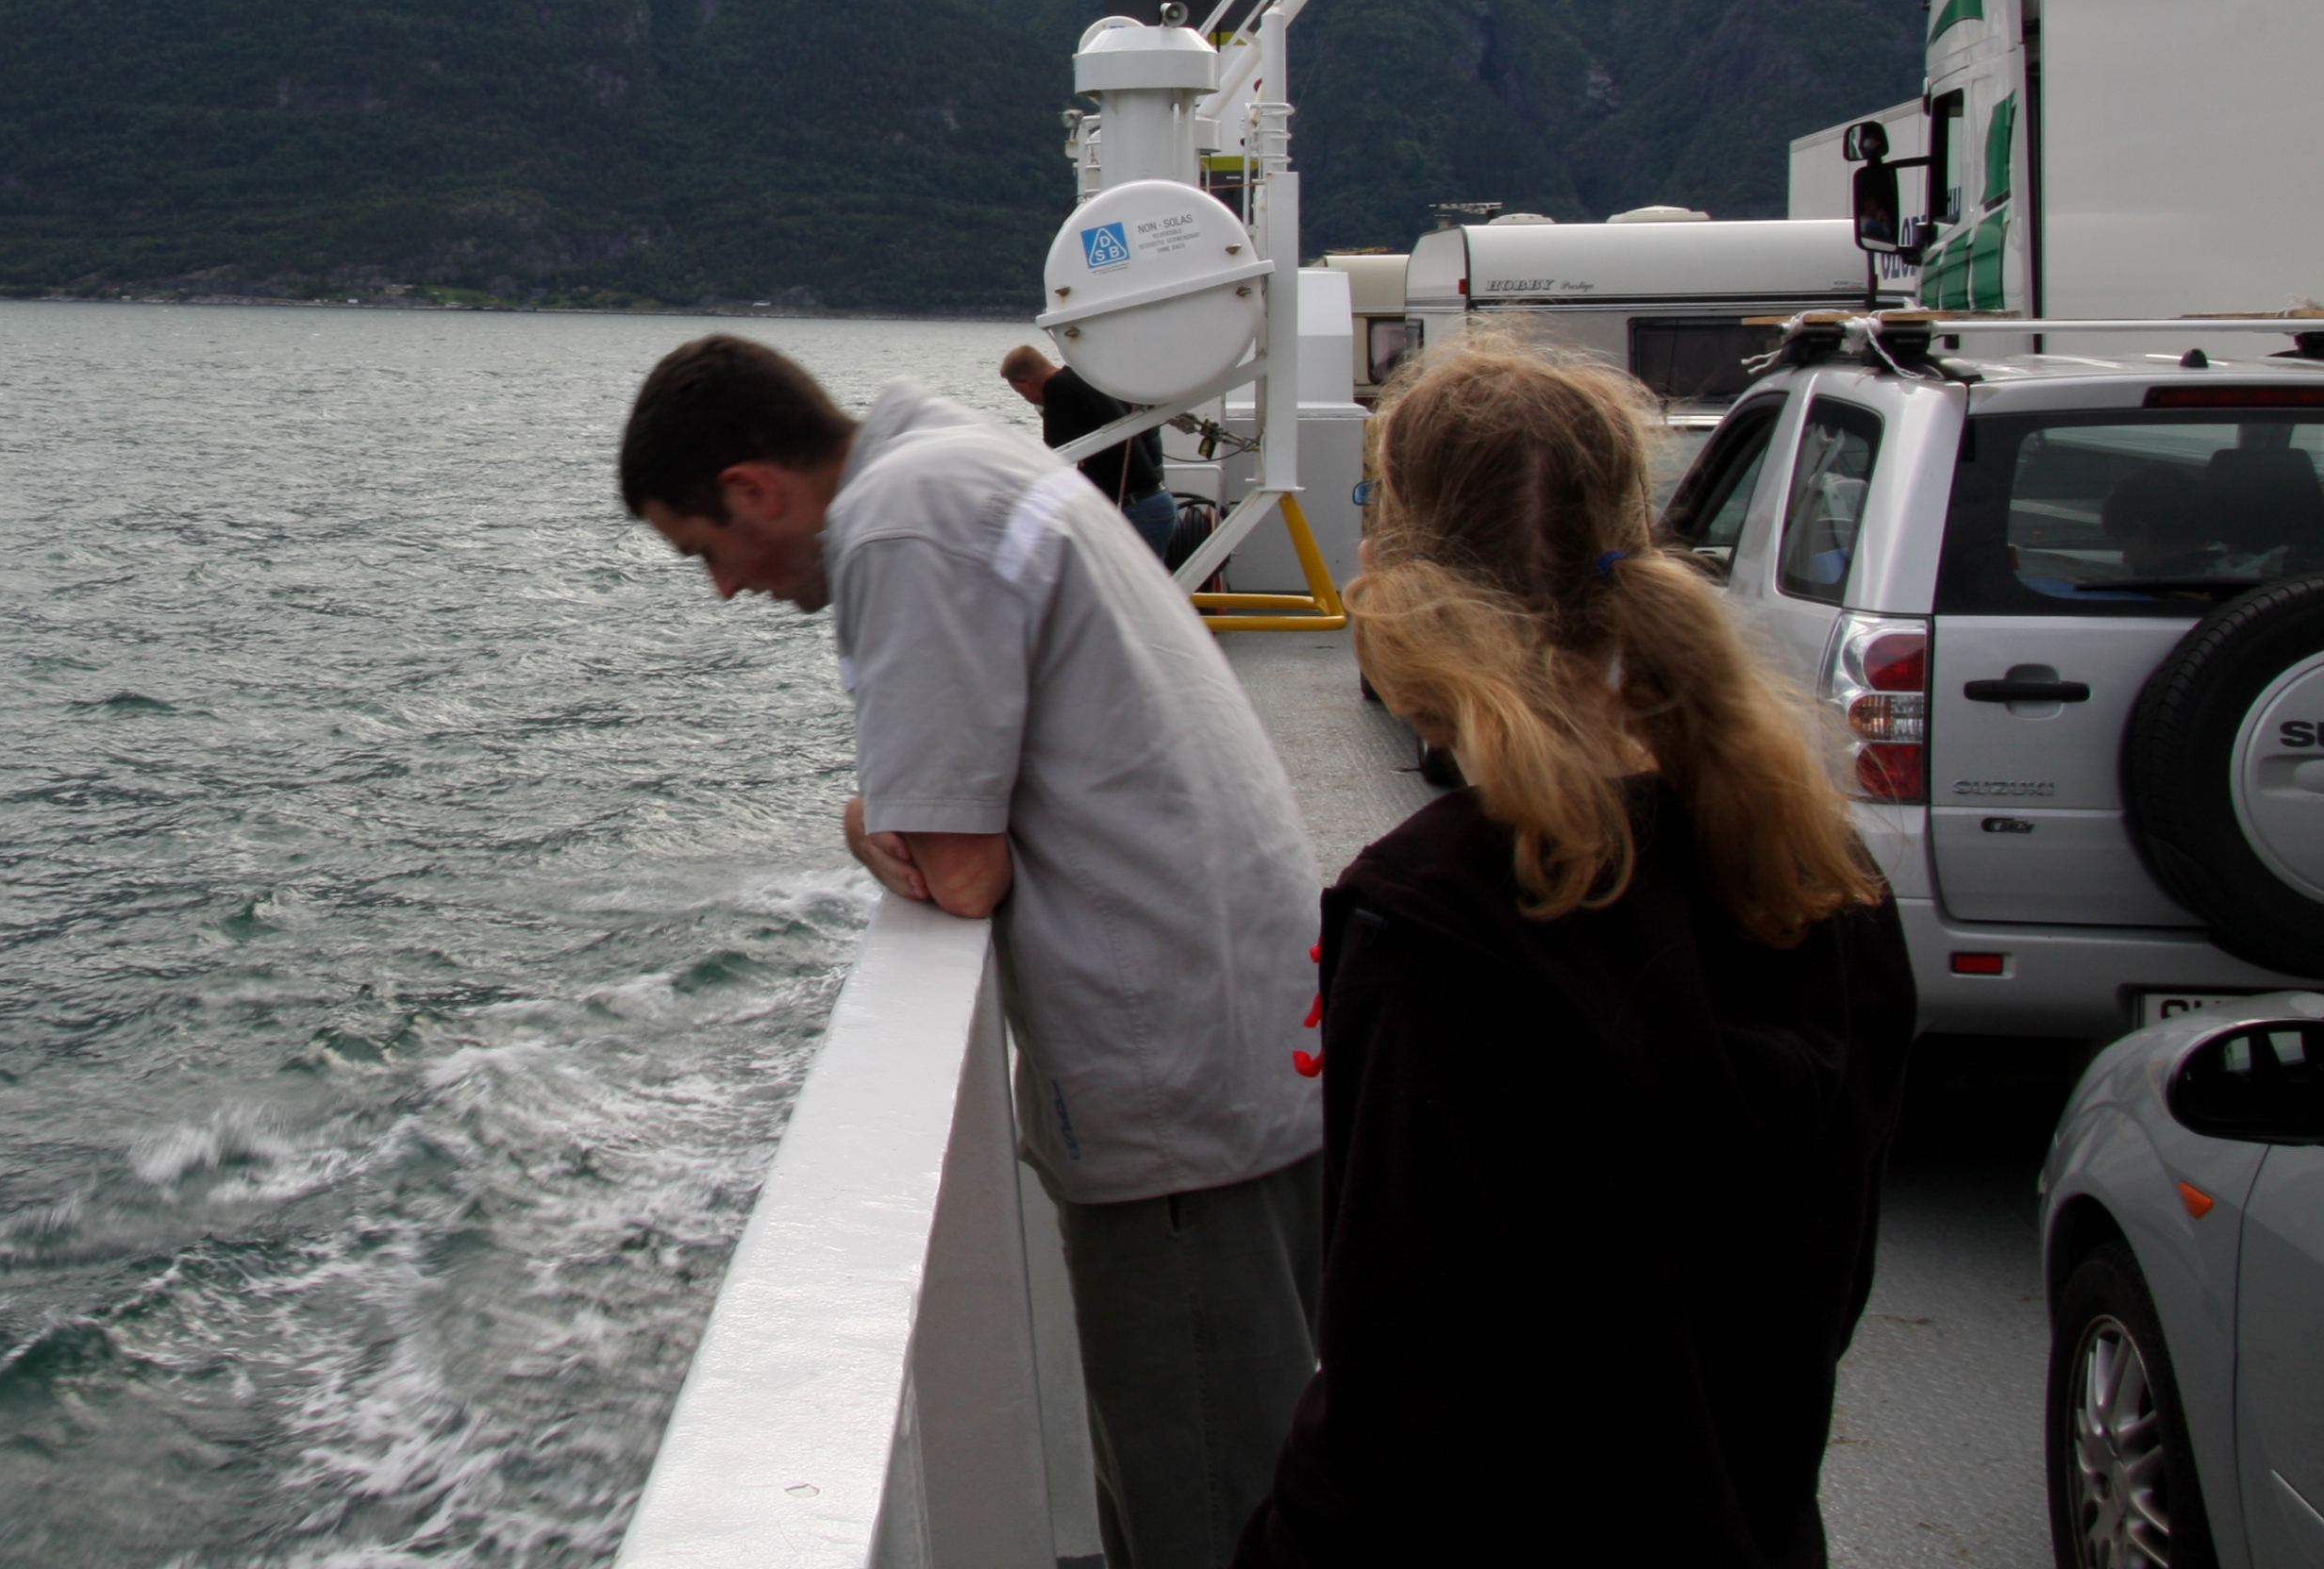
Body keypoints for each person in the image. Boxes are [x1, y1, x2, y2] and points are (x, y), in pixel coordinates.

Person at [619, 334, 1326, 1569]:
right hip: (1247, 1037)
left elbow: (957, 872)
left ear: (751, 489)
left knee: (1209, 1506)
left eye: (703, 552)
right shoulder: (962, 463)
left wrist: (863, 819)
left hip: (1176, 1101)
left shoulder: (900, 526)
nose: (723, 589)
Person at [1231, 334, 1917, 1569]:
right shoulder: (1821, 880)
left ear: (1392, 570)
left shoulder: (1437, 926)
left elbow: (1398, 1395)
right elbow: (1829, 1289)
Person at [1000, 340, 1181, 563]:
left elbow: (1059, 447)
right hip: (1149, 505)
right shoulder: (1081, 379)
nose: (1027, 399)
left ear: (1026, 384)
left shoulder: (1057, 387)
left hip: (1138, 510)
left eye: (1020, 392)